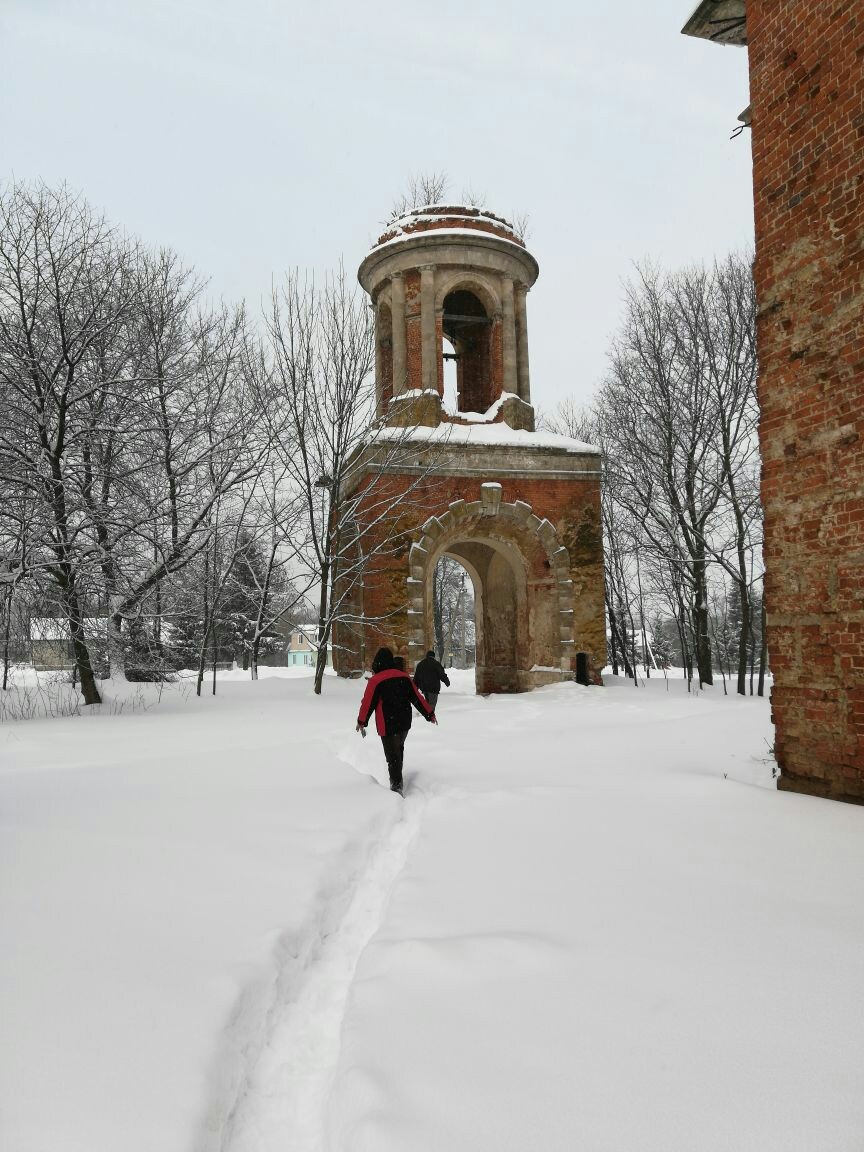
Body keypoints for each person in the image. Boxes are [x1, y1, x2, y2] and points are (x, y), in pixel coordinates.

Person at [356, 647, 436, 795]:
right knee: (398, 749)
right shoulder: (404, 677)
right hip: (404, 722)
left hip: (387, 724)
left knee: (392, 757)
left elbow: (367, 703)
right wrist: (429, 713)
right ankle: (398, 779)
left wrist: (361, 721)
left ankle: (396, 789)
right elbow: (417, 697)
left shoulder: (376, 681)